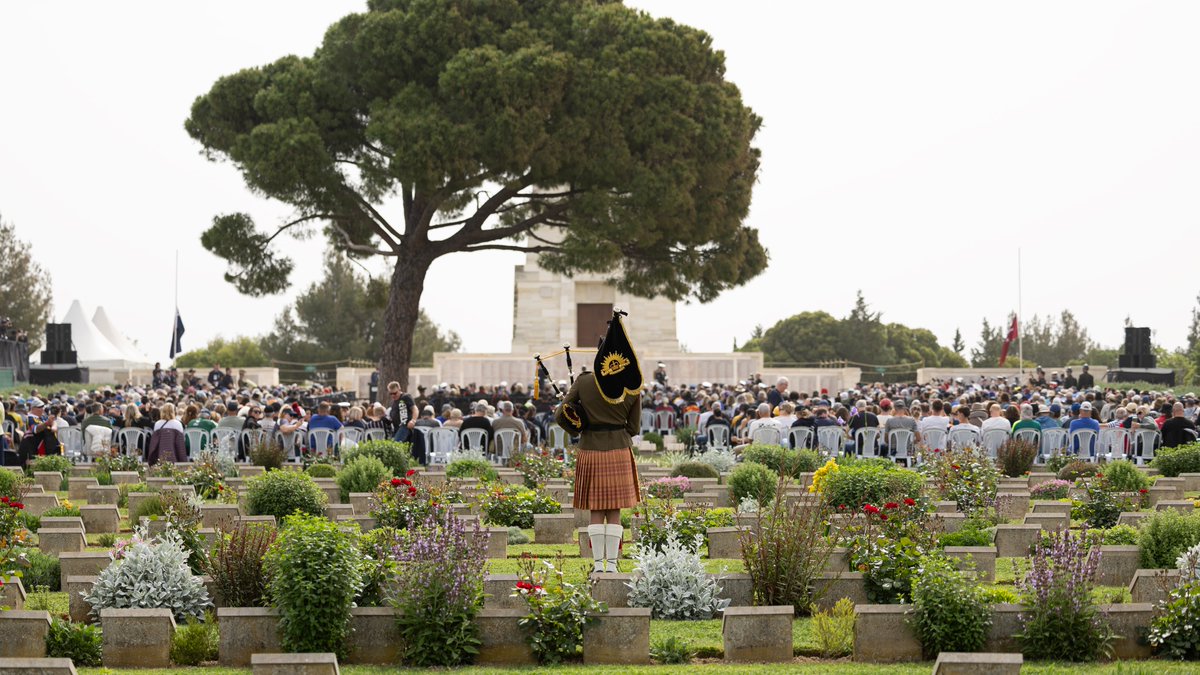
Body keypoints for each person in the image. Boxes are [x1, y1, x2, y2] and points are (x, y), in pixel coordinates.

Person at [557, 370, 641, 575]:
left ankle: (597, 565)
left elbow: (561, 413)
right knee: (614, 509)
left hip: (591, 447)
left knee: (595, 509)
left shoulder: (584, 380)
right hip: (619, 447)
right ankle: (611, 566)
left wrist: (578, 426)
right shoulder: (632, 382)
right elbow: (634, 427)